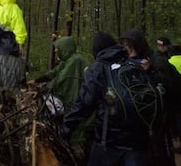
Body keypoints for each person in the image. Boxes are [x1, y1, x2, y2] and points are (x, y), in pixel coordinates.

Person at [61, 31, 157, 166]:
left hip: (109, 141)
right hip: (139, 139)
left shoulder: (97, 69)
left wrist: (66, 130)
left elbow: (84, 104)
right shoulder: (133, 64)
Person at [119, 29, 180, 166]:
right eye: (125, 45)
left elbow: (170, 87)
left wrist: (150, 71)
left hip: (161, 117)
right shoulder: (127, 62)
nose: (128, 49)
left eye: (130, 45)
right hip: (140, 121)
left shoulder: (157, 61)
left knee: (161, 152)